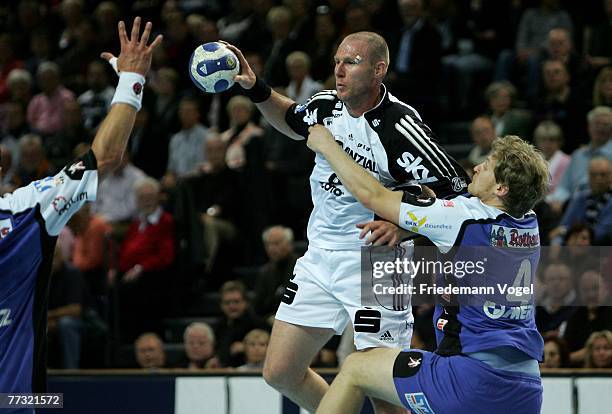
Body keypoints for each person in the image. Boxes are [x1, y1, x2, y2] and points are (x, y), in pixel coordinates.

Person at [222, 30, 469, 413]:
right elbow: (292, 120)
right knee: (280, 371)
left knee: (384, 395)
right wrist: (256, 88)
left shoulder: (400, 128)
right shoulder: (326, 105)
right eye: (336, 61)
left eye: (350, 62)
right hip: (320, 255)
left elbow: (457, 194)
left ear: (378, 70)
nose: (338, 70)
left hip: (378, 262)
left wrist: (405, 227)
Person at [305, 130, 548, 413]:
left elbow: (372, 196)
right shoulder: (529, 223)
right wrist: (411, 226)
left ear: (501, 189)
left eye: (488, 166)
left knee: (355, 368)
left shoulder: (461, 217)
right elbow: (463, 233)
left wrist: (327, 145)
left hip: (471, 379)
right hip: (527, 388)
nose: (477, 167)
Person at [0, 17, 162, 399]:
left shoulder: (25, 210)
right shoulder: (26, 211)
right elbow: (103, 158)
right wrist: (131, 80)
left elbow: (101, 160)